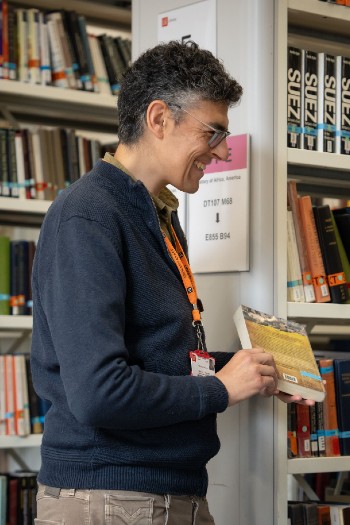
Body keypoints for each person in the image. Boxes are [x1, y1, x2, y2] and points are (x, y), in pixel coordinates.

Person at [31, 40, 313, 525]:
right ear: (159, 119)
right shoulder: (88, 216)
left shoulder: (157, 214)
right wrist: (222, 389)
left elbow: (158, 357)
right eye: (213, 132)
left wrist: (251, 368)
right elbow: (100, 392)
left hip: (160, 493)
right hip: (112, 497)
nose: (223, 151)